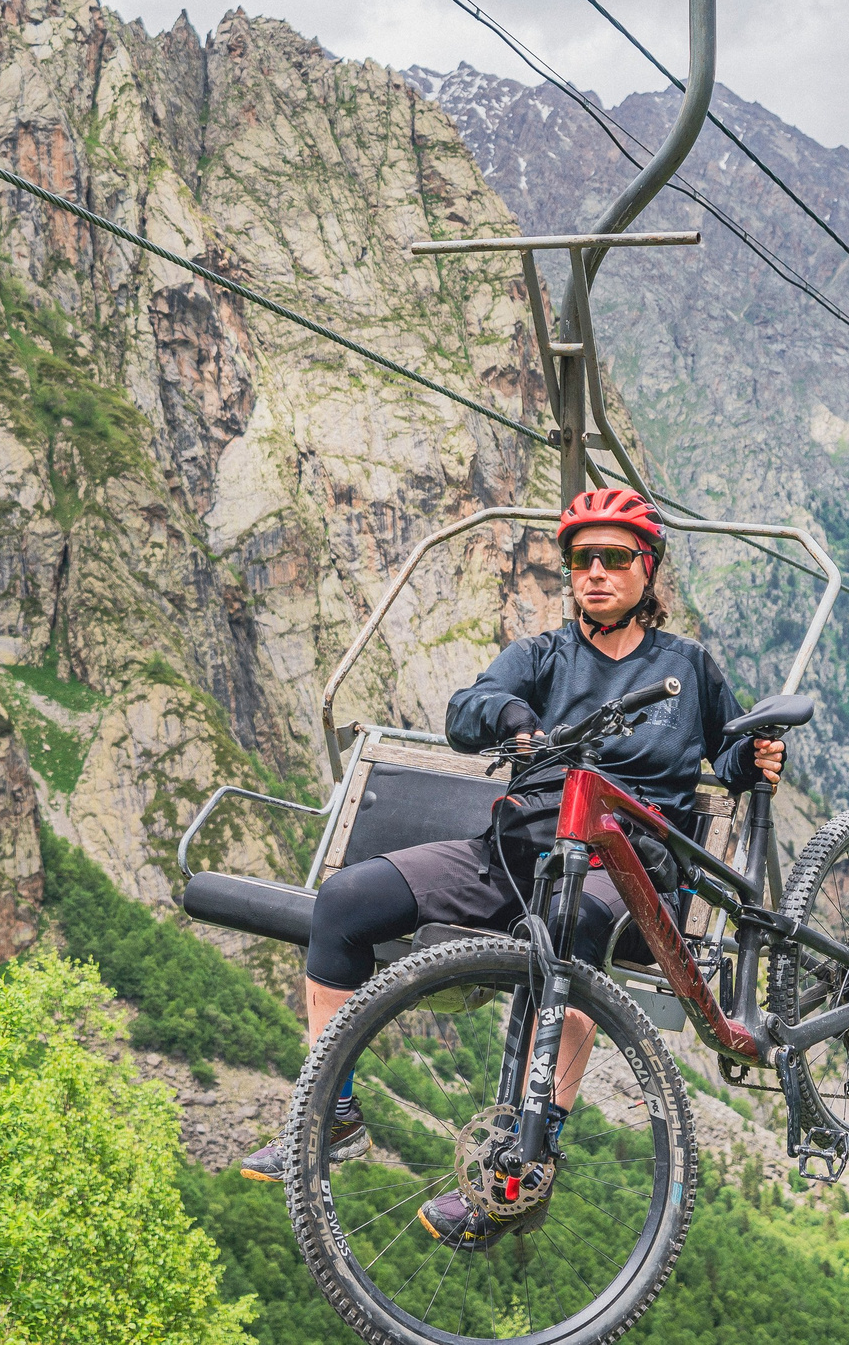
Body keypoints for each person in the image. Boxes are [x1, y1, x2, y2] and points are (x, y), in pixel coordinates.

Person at [238, 486, 784, 1251]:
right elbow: (470, 706)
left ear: (647, 569)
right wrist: (510, 716)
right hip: (517, 849)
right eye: (581, 557)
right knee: (345, 899)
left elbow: (726, 753)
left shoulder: (687, 668)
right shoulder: (544, 655)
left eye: (615, 556)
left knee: (567, 933)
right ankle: (332, 1110)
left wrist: (756, 757)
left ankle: (523, 1162)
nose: (595, 571)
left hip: (617, 870)